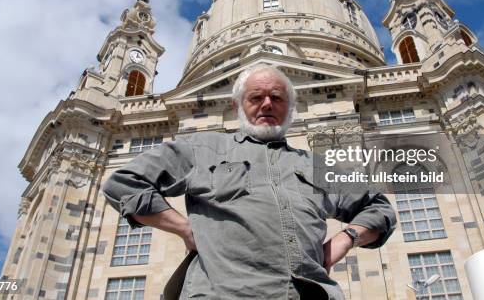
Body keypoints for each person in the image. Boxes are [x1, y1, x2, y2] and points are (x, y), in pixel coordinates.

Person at [103, 63, 397, 300]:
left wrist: (347, 238)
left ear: (290, 108)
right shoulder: (201, 148)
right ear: (237, 106)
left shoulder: (314, 165)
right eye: (256, 97)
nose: (267, 105)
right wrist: (185, 229)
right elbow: (124, 183)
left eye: (277, 98)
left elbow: (379, 207)